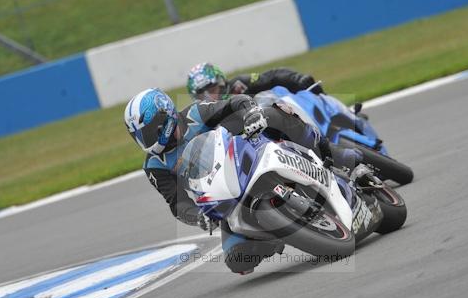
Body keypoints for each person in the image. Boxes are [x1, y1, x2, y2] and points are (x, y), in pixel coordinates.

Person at [124, 88, 373, 274]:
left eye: (148, 133)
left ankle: (332, 154)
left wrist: (252, 114)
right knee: (237, 260)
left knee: (273, 113)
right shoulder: (154, 166)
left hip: (250, 152)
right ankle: (278, 233)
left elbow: (236, 102)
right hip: (225, 195)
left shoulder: (195, 113)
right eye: (139, 137)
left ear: (165, 117)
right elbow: (176, 203)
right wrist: (197, 216)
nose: (146, 142)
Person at [186, 62, 322, 101]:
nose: (209, 97)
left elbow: (272, 76)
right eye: (202, 95)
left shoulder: (239, 85)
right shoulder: (201, 119)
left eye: (211, 90)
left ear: (221, 83)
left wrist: (297, 79)